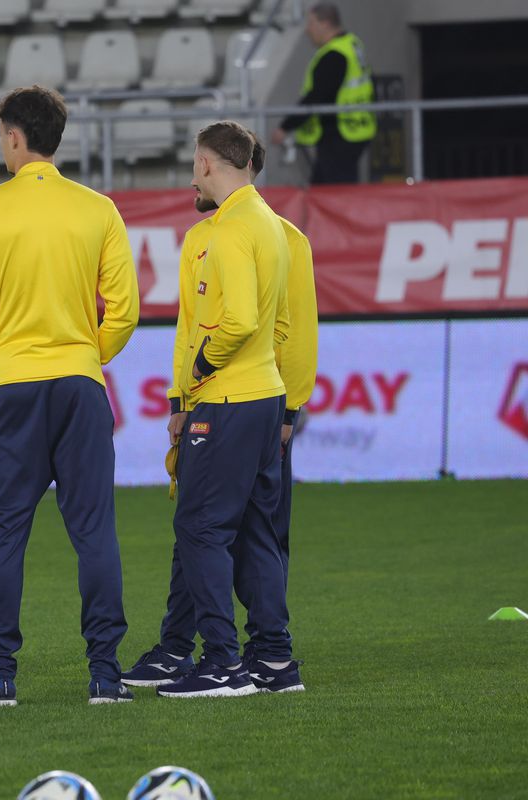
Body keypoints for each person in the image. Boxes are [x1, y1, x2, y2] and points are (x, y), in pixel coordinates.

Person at [0, 86, 140, 707]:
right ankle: (105, 673)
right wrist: (86, 353)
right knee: (94, 529)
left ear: (14, 136)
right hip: (80, 383)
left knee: (4, 530)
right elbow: (126, 310)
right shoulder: (98, 209)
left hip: (9, 385)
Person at [123, 134, 317, 694]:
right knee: (255, 532)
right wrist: (184, 398)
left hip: (229, 400)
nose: (191, 176)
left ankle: (223, 663)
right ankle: (273, 659)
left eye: (194, 164)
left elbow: (238, 323)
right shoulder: (269, 227)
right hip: (260, 397)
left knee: (199, 528)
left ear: (207, 162)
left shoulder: (231, 229)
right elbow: (277, 323)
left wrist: (199, 373)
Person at [271, 2, 376, 184]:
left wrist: (286, 127)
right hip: (356, 127)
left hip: (339, 131)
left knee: (334, 190)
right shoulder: (352, 44)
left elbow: (317, 96)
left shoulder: (334, 54)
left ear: (325, 24)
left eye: (311, 23)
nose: (307, 30)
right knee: (325, 185)